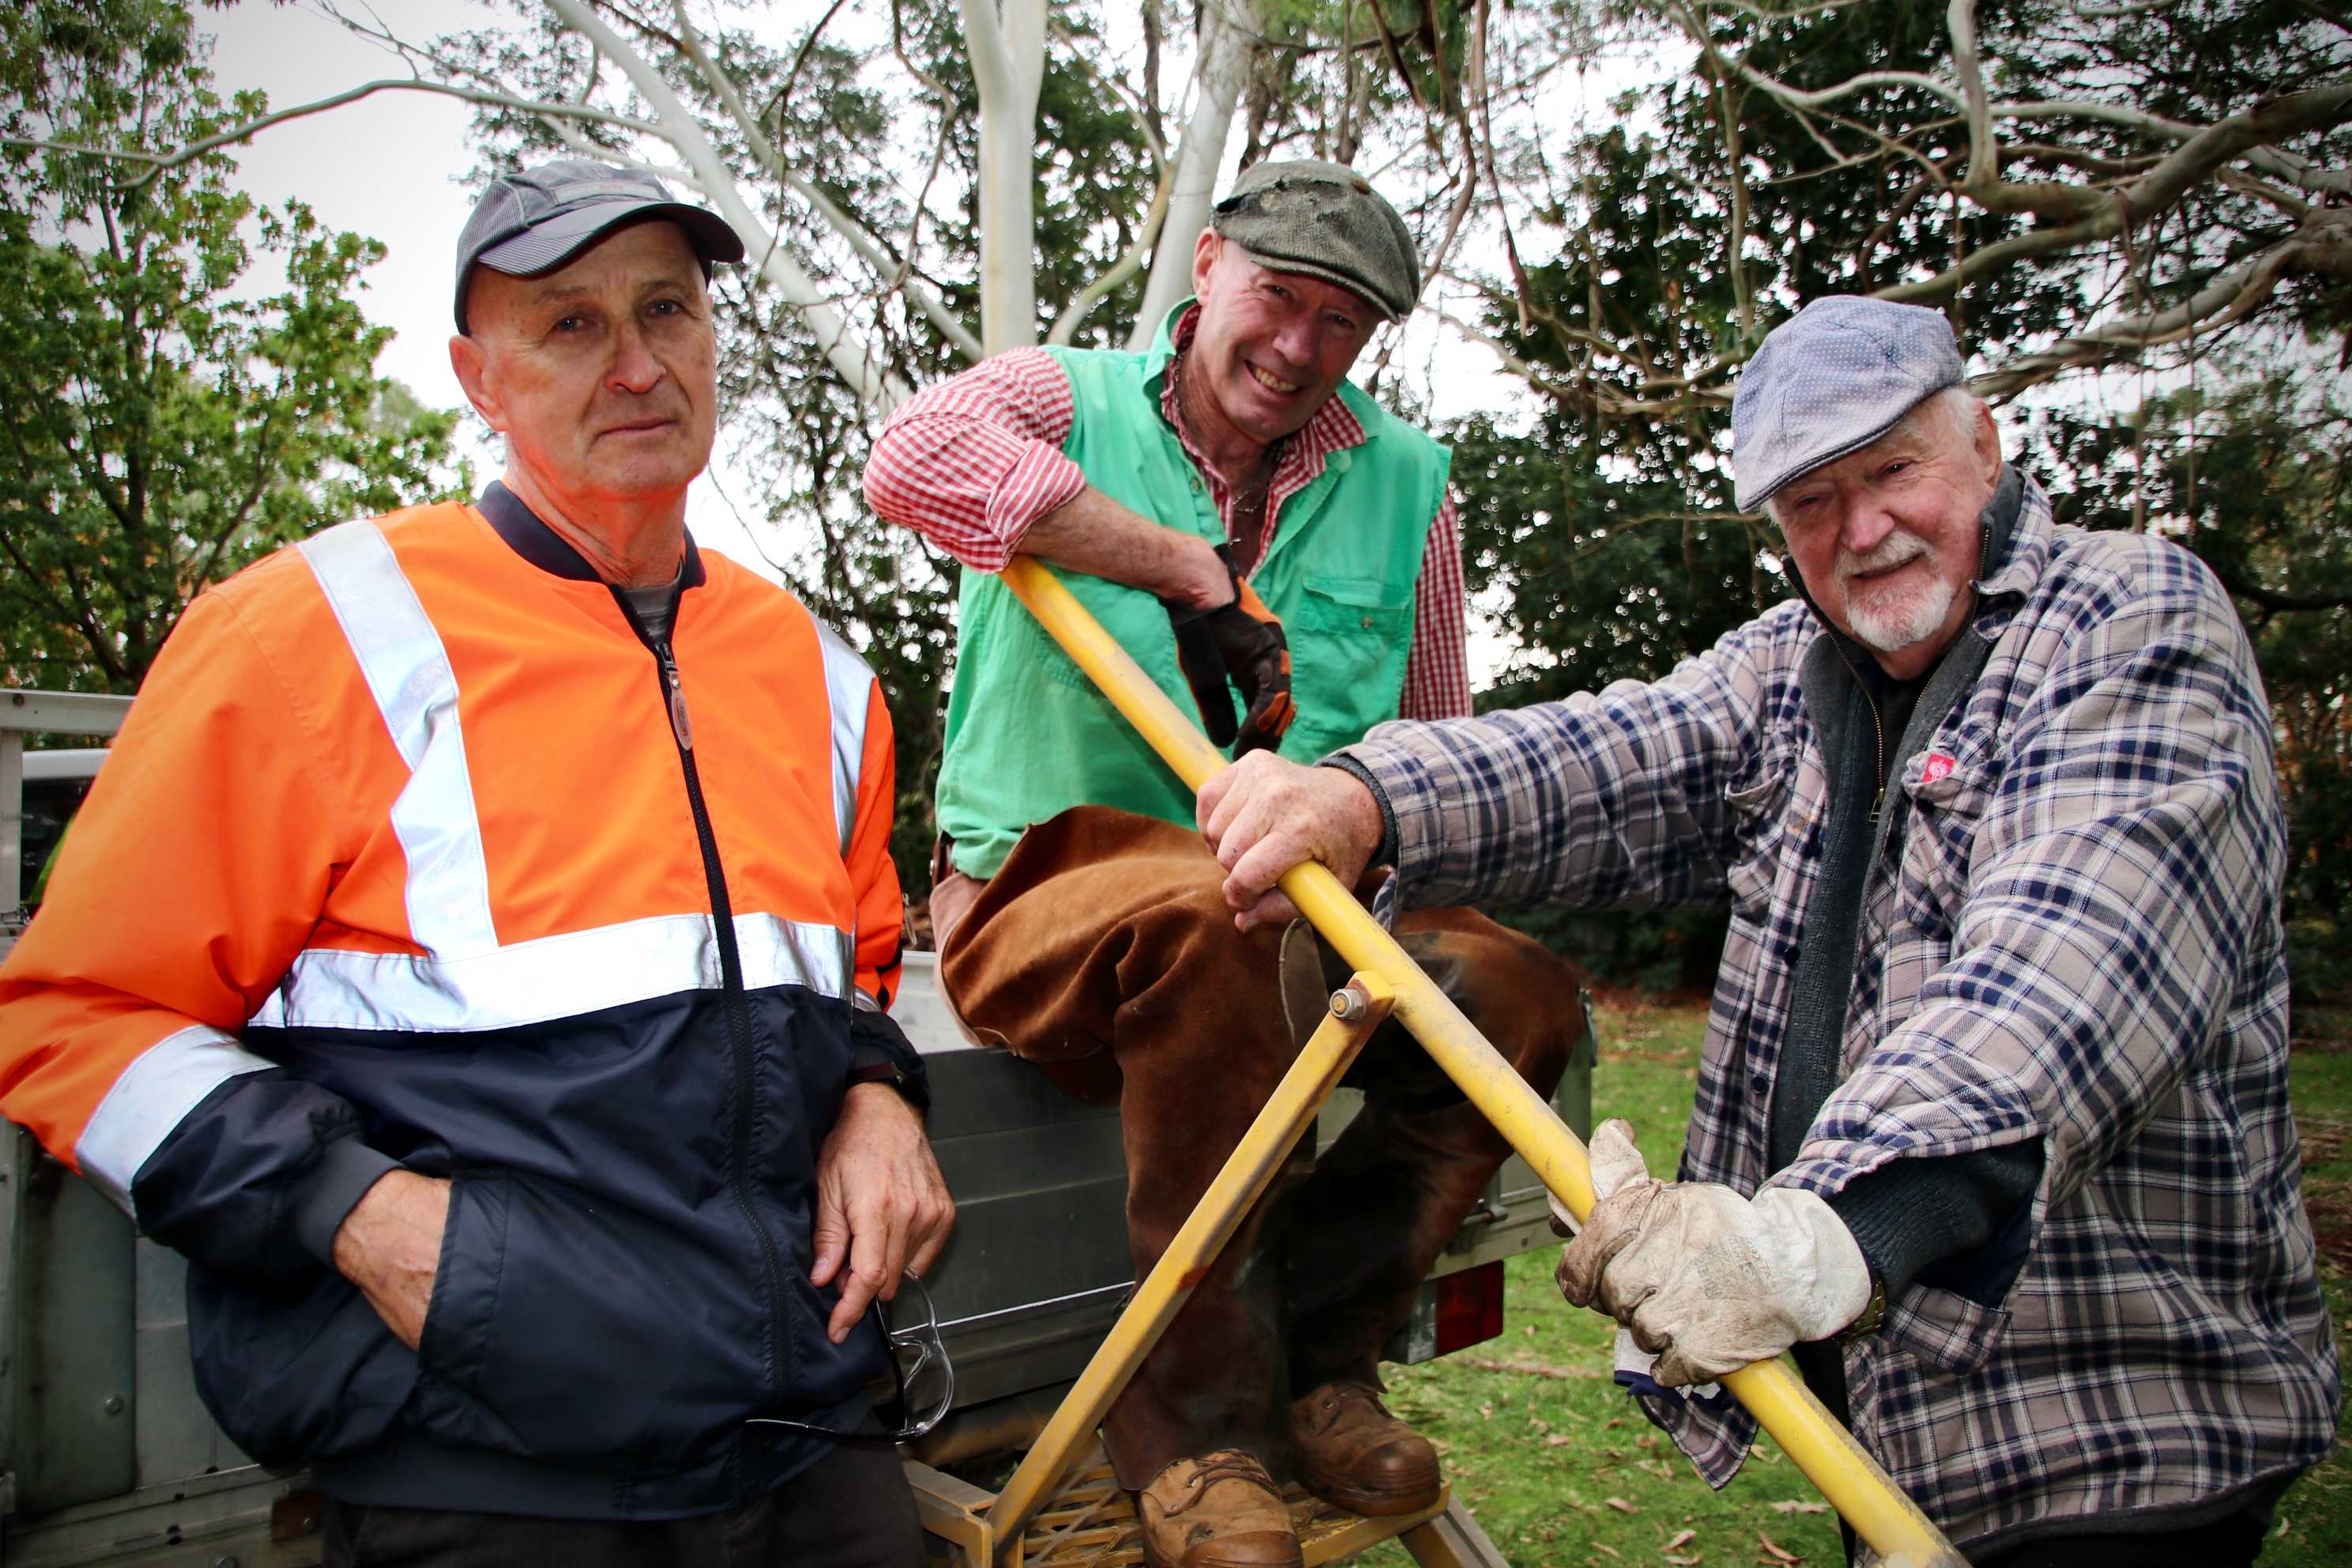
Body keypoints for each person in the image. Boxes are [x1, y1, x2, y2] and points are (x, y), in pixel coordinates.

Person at [1193, 295, 2340, 1564]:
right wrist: (1366, 796)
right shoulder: (1796, 665)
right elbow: (1610, 755)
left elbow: (2068, 971)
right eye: (1809, 502)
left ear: (1988, 446)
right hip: (1894, 1434)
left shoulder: (2130, 621)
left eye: (1892, 469)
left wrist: (1817, 1236)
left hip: (2111, 1427)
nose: (1862, 530)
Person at [0, 159, 953, 1568]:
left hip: (808, 1432)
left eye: (668, 310)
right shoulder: (307, 638)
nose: (636, 364)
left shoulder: (817, 675)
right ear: (476, 376)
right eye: (570, 324)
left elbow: (857, 966)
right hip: (485, 1461)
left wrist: (878, 1094)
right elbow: (71, 1018)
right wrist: (359, 1216)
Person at [864, 160, 1585, 1568]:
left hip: (1291, 887)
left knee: (1518, 991)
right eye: (1279, 298)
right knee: (1217, 923)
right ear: (1205, 271)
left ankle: (1322, 1361)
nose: (1300, 346)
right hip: (1044, 885)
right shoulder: (1058, 396)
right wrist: (1182, 570)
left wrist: (1418, 896)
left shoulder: (1409, 485)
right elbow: (912, 459)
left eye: (1342, 323)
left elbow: (1434, 740)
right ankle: (1194, 1441)